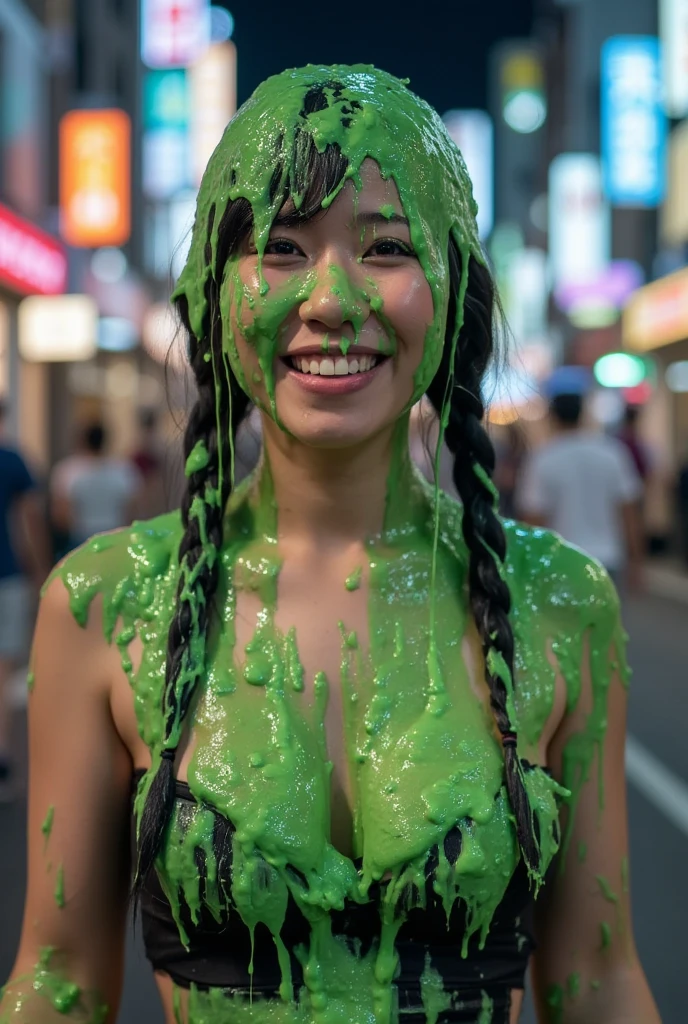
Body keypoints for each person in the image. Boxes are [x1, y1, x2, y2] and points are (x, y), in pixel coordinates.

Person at [1, 66, 659, 1024]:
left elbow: (596, 982)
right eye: (280, 249)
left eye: (386, 247)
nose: (330, 300)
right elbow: (56, 983)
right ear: (214, 296)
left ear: (453, 291)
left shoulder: (559, 600)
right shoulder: (108, 602)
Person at [517, 392, 644, 591]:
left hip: (562, 562)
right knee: (606, 621)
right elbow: (629, 513)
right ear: (582, 415)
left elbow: (534, 518)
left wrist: (528, 569)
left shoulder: (543, 459)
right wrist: (637, 562)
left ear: (553, 417)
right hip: (608, 562)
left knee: (563, 622)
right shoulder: (612, 453)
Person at [0, 400, 50, 796]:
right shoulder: (13, 460)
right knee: (4, 669)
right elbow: (30, 518)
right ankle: (1, 752)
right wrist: (40, 567)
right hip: (8, 575)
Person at [50, 421, 142, 550]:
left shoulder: (69, 470)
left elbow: (61, 516)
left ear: (81, 440)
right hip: (115, 537)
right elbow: (133, 511)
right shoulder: (123, 470)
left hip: (80, 539)